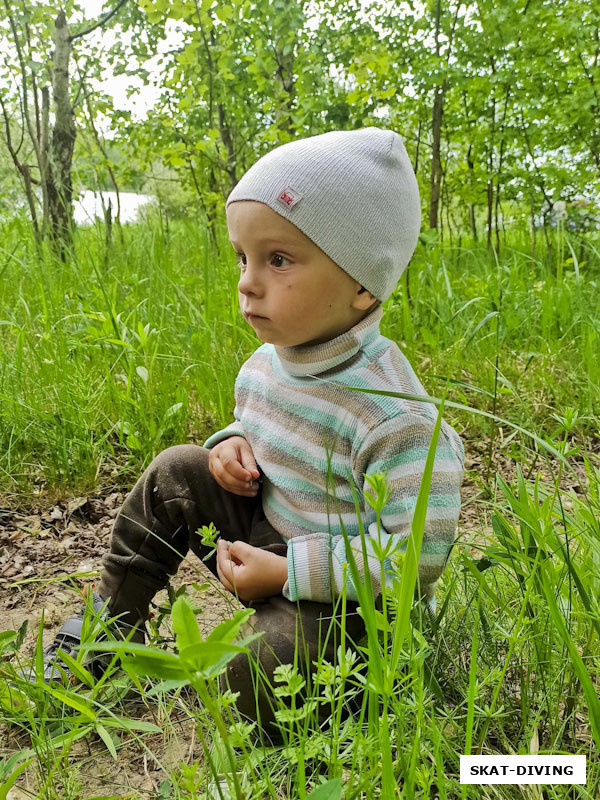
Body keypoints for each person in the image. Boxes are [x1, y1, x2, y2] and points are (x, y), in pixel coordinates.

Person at [30, 127, 464, 744]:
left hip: (347, 608)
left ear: (363, 282)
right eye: (242, 257)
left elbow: (415, 558)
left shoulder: (396, 415)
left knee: (244, 675)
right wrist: (230, 444)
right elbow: (262, 426)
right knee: (178, 471)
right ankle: (108, 630)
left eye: (278, 260)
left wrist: (288, 573)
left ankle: (318, 717)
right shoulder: (269, 360)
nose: (247, 282)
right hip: (267, 538)